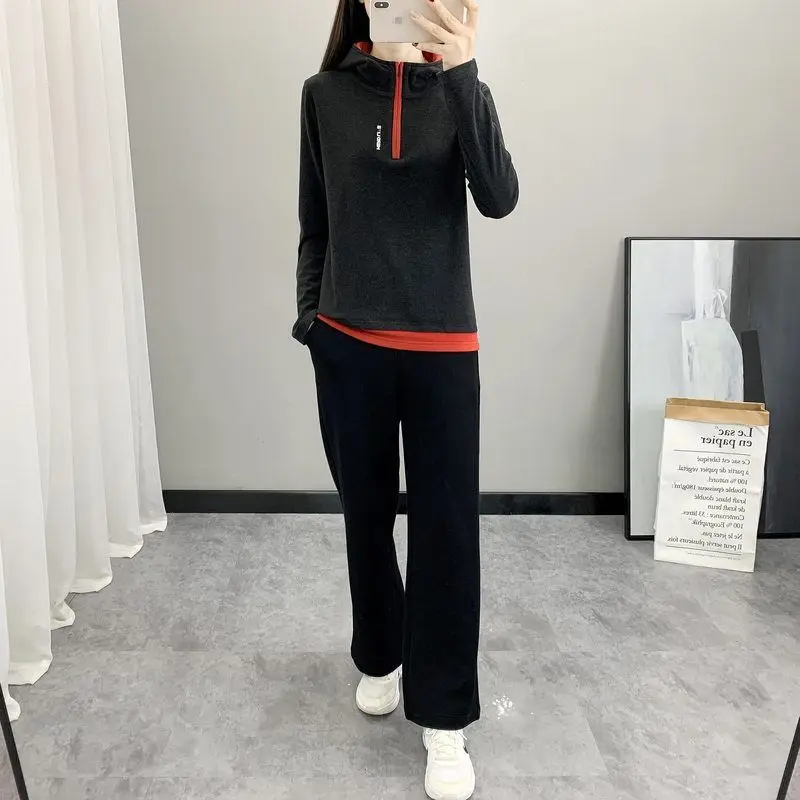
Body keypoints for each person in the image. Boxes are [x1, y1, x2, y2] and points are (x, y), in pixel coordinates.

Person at [292, 1, 518, 797]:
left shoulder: (462, 90)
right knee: (365, 517)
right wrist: (312, 319)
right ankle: (379, 654)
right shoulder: (324, 95)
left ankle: (445, 717)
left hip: (442, 350)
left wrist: (462, 73)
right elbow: (315, 222)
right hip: (347, 344)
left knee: (447, 534)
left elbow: (499, 196)